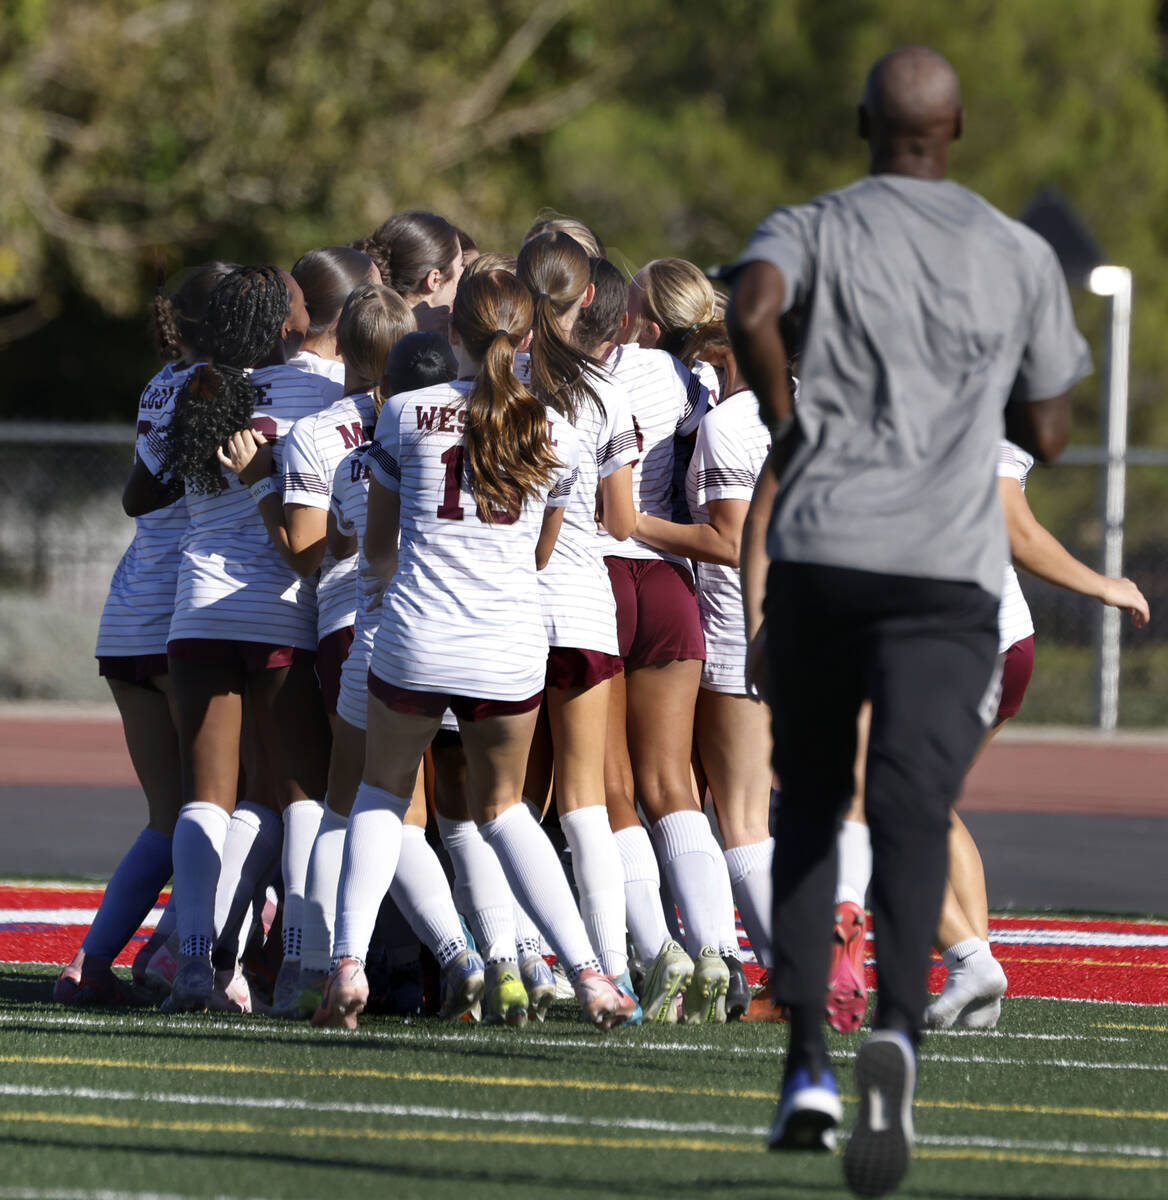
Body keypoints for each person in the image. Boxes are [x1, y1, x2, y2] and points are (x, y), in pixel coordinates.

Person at [724, 45, 1090, 1196]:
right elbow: (1052, 427)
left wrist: (790, 417)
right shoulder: (1017, 250)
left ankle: (806, 1067)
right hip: (948, 570)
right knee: (915, 805)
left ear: (861, 121)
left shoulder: (814, 223)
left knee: (811, 805)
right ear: (958, 127)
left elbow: (750, 304)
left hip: (830, 549)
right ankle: (896, 1024)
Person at [314, 266, 634, 1032]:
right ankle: (591, 976)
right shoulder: (555, 428)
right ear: (528, 339)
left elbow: (381, 550)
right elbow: (541, 557)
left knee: (383, 797)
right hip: (508, 641)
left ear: (450, 331)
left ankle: (346, 967)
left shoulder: (409, 412)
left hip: (417, 634)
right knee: (504, 813)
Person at [141, 265, 334, 1014]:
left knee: (206, 798)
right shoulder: (316, 391)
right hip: (280, 608)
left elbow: (145, 490)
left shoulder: (194, 389)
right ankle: (294, 966)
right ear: (280, 325)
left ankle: (191, 965)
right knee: (298, 794)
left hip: (198, 607)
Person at [53, 261, 235, 1006]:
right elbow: (145, 494)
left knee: (171, 815)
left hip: (130, 611)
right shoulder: (218, 386)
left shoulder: (164, 380)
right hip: (179, 616)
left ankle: (90, 966)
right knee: (226, 803)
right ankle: (185, 959)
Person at [925, 439, 1149, 1029]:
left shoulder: (978, 405)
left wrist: (1104, 586)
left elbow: (1015, 532)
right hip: (984, 641)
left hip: (964, 644)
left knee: (870, 808)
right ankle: (980, 986)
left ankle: (969, 960)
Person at [516, 235, 641, 1015]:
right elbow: (621, 522)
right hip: (585, 610)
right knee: (586, 806)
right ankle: (613, 971)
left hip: (511, 611)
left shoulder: (495, 384)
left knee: (507, 809)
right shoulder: (606, 393)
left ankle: (527, 965)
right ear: (588, 298)